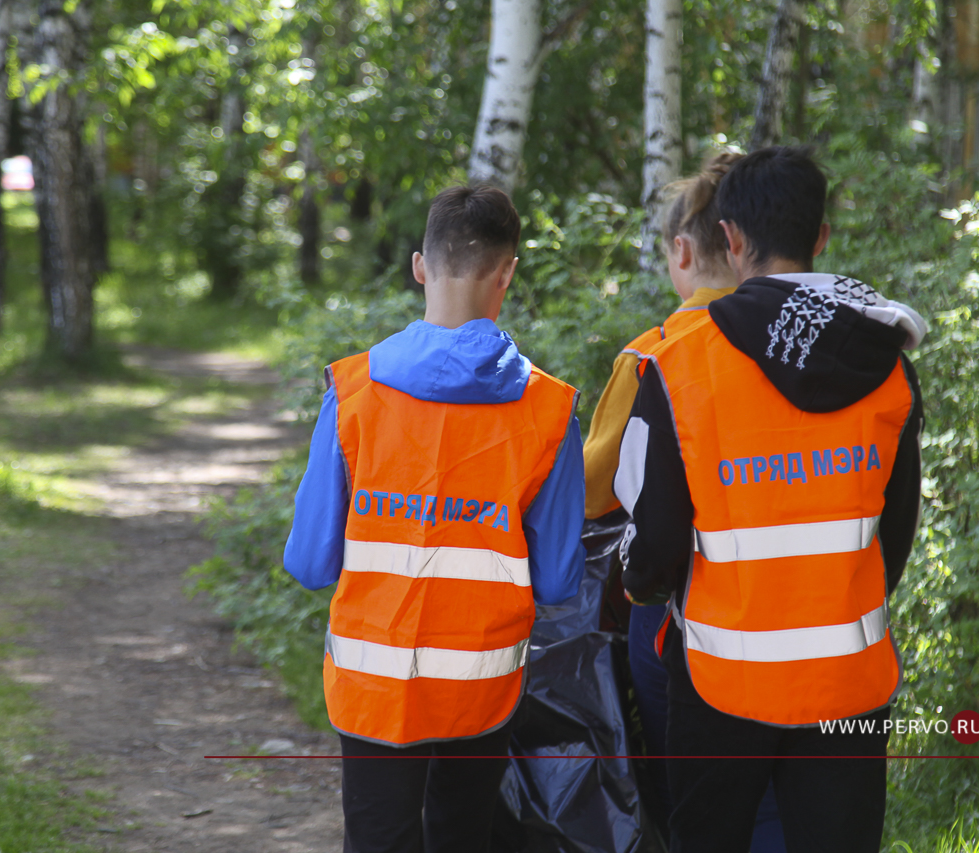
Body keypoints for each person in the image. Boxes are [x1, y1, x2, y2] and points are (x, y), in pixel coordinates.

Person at [615, 145, 927, 853]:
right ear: (821, 236)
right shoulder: (888, 365)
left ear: (728, 238)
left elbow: (652, 546)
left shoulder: (678, 364)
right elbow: (898, 530)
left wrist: (642, 586)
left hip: (719, 681)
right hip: (847, 681)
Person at [283, 185, 587, 853]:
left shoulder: (353, 391)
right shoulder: (550, 411)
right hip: (482, 683)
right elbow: (560, 581)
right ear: (507, 273)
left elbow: (308, 563)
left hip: (374, 680)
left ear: (420, 266)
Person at [584, 152, 786, 850]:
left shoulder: (654, 355)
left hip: (681, 612)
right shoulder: (794, 344)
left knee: (695, 798)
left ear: (683, 251)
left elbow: (596, 492)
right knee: (780, 802)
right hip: (801, 600)